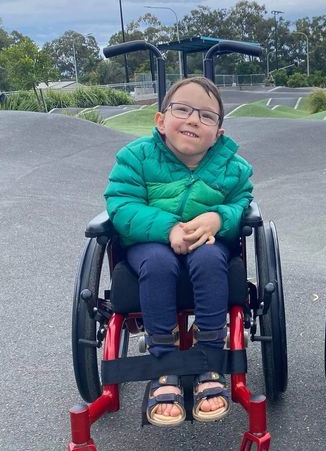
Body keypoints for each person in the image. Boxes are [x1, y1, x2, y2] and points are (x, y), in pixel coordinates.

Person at [104, 77, 253, 427]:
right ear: (160, 120)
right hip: (149, 245)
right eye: (182, 109)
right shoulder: (135, 157)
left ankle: (209, 358)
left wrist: (219, 217)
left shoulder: (234, 168)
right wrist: (169, 227)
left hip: (208, 245)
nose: (193, 120)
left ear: (218, 132)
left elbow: (242, 204)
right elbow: (121, 206)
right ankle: (164, 365)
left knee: (209, 259)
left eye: (206, 116)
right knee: (157, 262)